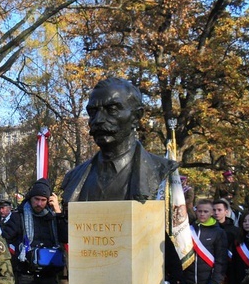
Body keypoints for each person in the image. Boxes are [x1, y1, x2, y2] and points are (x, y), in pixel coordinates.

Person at [61, 77, 176, 205]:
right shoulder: (73, 178)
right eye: (93, 112)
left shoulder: (161, 172)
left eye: (112, 110)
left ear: (136, 117)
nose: (98, 120)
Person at [10, 179, 67, 284]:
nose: (39, 204)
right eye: (36, 199)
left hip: (49, 277)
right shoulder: (20, 215)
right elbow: (6, 237)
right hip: (27, 276)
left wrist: (57, 211)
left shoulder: (52, 217)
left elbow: (65, 237)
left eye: (43, 200)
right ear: (30, 198)